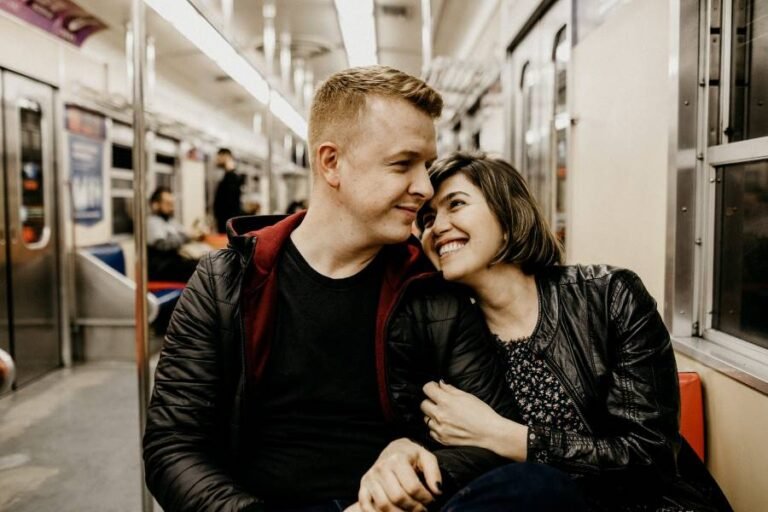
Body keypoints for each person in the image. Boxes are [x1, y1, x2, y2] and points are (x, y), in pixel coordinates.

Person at [143, 67, 541, 512]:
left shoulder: (429, 289)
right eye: (402, 164)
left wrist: (415, 471)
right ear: (331, 163)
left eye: (426, 166)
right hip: (257, 503)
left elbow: (489, 434)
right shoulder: (226, 282)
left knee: (536, 487)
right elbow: (172, 446)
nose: (425, 187)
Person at [412, 152, 732, 511]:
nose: (436, 227)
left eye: (455, 204)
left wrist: (505, 436)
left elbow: (649, 460)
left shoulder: (610, 296)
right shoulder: (447, 338)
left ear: (508, 215)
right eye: (426, 219)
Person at [147, 186, 199, 283]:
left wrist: (194, 234)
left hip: (173, 264)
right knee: (198, 269)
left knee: (203, 264)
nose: (171, 207)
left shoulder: (170, 221)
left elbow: (184, 232)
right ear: (155, 205)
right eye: (167, 204)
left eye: (172, 204)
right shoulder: (152, 222)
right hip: (160, 269)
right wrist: (187, 236)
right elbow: (163, 245)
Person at [213, 147, 244, 233]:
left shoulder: (232, 177)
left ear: (226, 156)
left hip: (228, 223)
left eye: (219, 157)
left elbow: (231, 202)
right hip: (225, 222)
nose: (217, 159)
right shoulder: (227, 176)